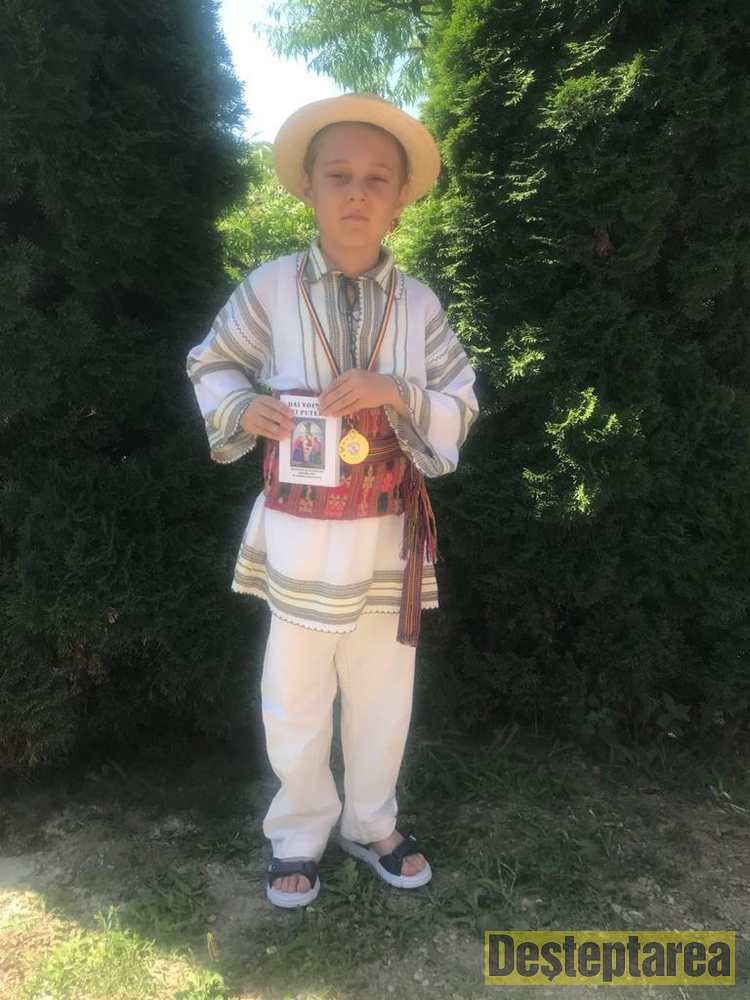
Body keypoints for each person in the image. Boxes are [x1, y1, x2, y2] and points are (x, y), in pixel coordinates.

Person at [185, 92, 479, 909]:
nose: (357, 192)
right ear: (307, 188)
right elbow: (212, 362)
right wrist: (244, 407)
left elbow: (461, 395)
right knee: (296, 689)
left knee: (384, 690)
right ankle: (299, 829)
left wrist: (397, 390)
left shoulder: (418, 304)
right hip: (300, 532)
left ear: (400, 198)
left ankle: (371, 821)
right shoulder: (270, 289)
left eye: (376, 178)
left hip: (386, 531)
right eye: (339, 175)